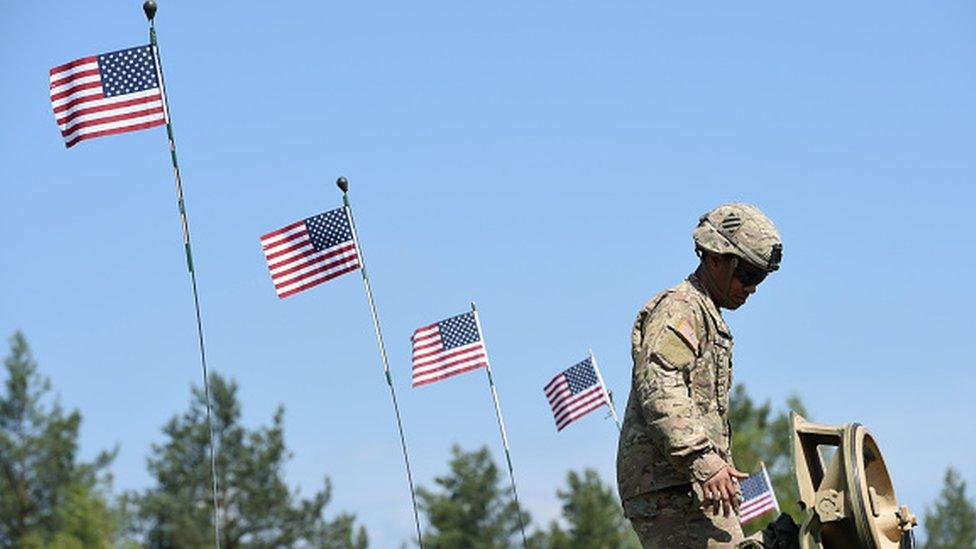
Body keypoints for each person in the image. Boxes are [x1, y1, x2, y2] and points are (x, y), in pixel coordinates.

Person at [616, 203, 783, 548]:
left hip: (691, 484)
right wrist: (704, 460)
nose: (751, 287)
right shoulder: (682, 308)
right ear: (715, 258)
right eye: (747, 274)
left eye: (760, 278)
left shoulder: (706, 313)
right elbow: (660, 385)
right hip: (672, 487)